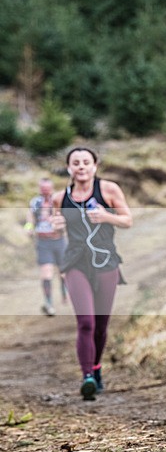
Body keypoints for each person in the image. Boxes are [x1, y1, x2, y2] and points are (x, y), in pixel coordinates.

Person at [51, 147, 132, 401]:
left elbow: (127, 220)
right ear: (69, 168)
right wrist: (55, 226)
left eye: (86, 162)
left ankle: (96, 369)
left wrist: (106, 216)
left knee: (100, 326)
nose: (81, 167)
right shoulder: (59, 198)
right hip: (75, 263)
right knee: (85, 322)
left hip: (106, 262)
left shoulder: (108, 189)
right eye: (76, 163)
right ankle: (87, 377)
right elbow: (53, 231)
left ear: (95, 166)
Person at [26, 178, 68, 316]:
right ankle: (49, 304)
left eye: (47, 188)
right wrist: (29, 228)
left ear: (52, 188)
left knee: (63, 272)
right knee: (46, 273)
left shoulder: (59, 201)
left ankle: (65, 293)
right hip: (43, 242)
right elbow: (30, 219)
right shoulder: (35, 202)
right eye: (42, 188)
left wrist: (61, 225)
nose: (45, 191)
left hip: (59, 240)